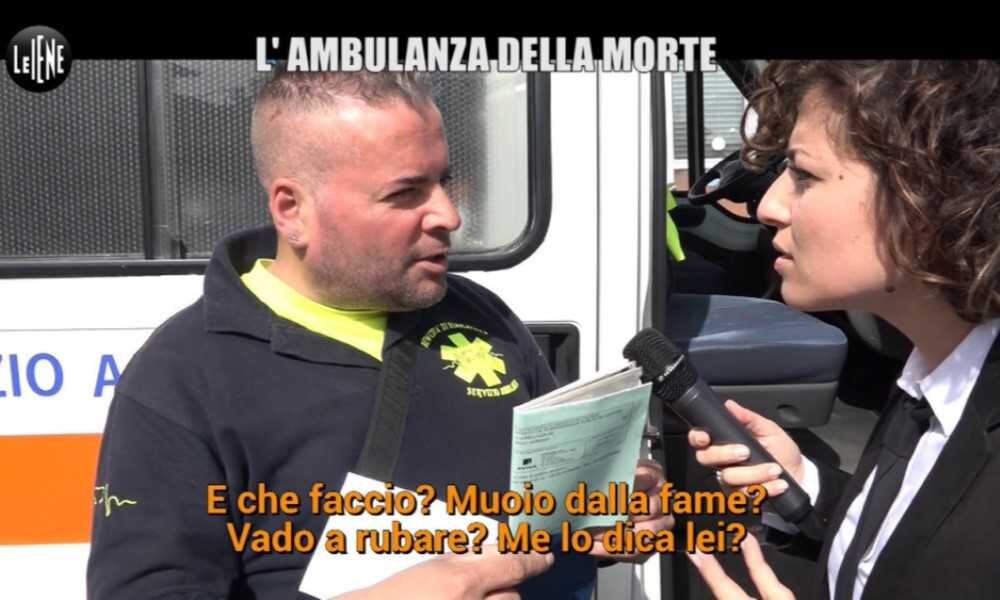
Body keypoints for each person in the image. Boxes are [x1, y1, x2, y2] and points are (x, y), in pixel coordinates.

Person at [86, 69, 671, 600]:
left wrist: (610, 509)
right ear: (292, 210)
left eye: (443, 182)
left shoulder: (481, 316)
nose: (448, 215)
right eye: (405, 193)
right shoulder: (183, 377)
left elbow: (552, 512)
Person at [686, 61, 1000, 599]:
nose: (769, 206)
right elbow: (908, 538)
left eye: (803, 175)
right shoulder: (928, 382)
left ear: (929, 192)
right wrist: (802, 484)